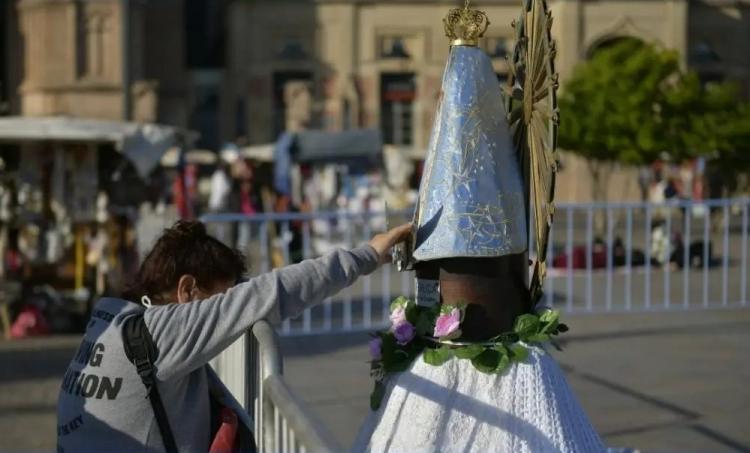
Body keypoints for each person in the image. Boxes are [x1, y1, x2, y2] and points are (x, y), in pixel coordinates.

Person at [56, 219, 411, 452]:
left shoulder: (109, 323)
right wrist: (366, 255)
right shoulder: (162, 330)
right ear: (188, 290)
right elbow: (272, 293)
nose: (230, 320)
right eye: (222, 298)